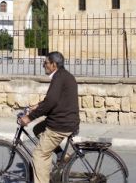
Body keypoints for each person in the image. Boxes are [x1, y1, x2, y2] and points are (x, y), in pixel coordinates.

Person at [18, 51, 79, 183]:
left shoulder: (58, 78)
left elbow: (51, 102)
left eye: (45, 63)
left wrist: (29, 118)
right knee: (38, 129)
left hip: (60, 124)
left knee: (39, 155)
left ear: (54, 64)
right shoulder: (65, 76)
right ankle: (62, 155)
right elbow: (53, 100)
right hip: (67, 120)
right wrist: (37, 106)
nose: (43, 65)